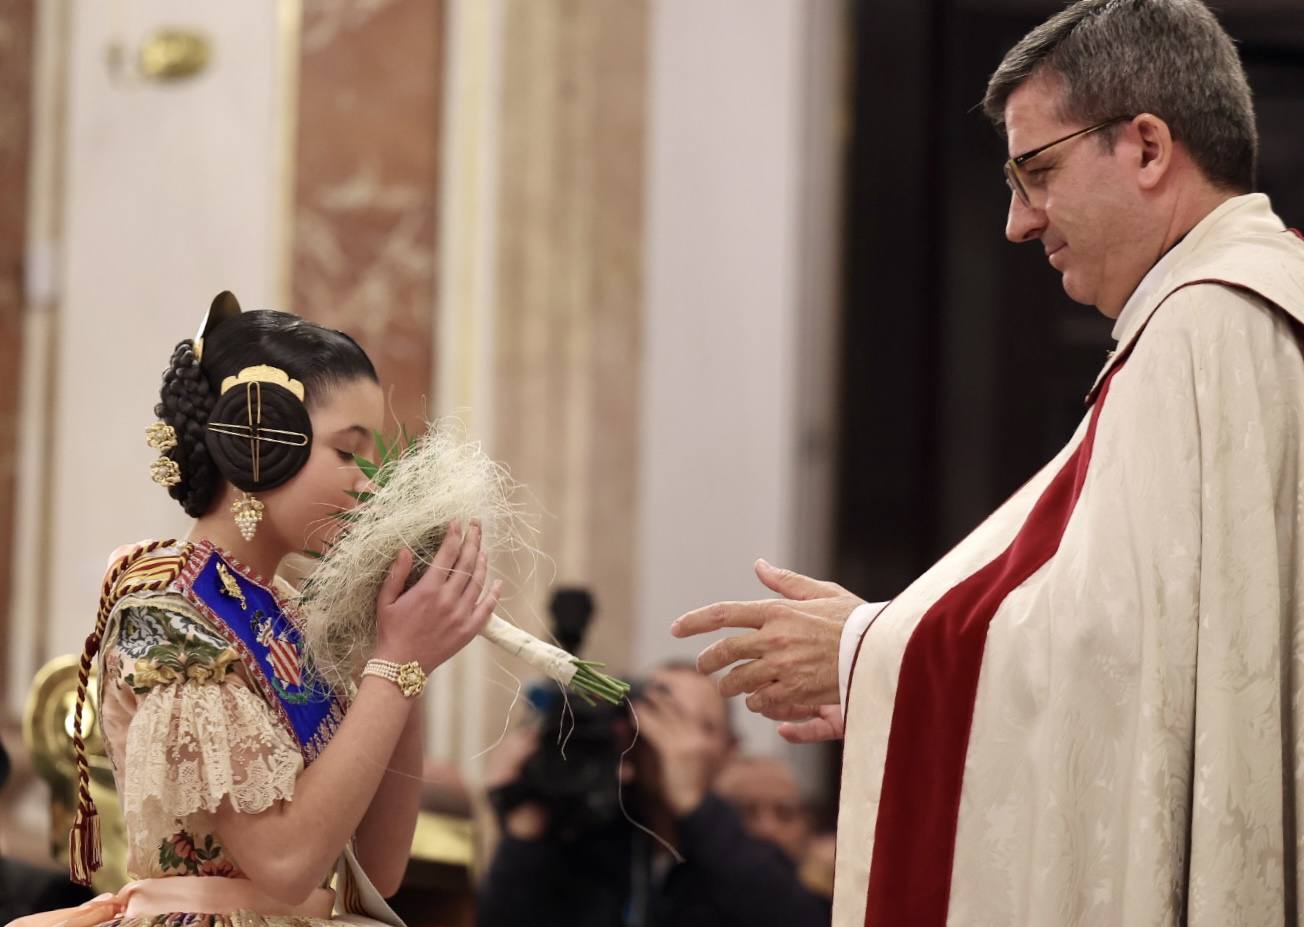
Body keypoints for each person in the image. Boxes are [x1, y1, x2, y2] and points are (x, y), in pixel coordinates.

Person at [671, 1, 1304, 923]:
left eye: (1038, 172)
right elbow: (1163, 676)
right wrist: (891, 669)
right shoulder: (1254, 298)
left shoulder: (1209, 326)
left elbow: (1114, 654)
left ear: (1148, 148)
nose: (1017, 221)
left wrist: (864, 652)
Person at [11, 292, 501, 927]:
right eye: (347, 452)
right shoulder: (166, 616)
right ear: (259, 445)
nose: (366, 482)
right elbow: (287, 863)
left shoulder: (287, 611)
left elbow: (376, 870)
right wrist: (396, 663)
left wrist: (405, 660)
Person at [475, 663, 829, 927]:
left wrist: (693, 803)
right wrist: (527, 825)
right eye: (654, 718)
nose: (665, 739)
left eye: (689, 725)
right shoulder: (592, 839)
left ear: (729, 750)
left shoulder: (745, 843)